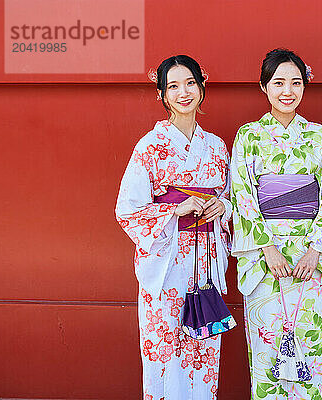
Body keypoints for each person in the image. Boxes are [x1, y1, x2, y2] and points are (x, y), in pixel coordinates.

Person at [230, 48, 322, 399]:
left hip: (308, 261)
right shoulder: (249, 136)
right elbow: (242, 195)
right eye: (278, 82)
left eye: (296, 82)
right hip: (266, 260)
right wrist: (267, 248)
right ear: (264, 87)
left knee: (311, 352)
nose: (288, 91)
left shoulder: (319, 136)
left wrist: (315, 251)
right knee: (267, 356)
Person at [115, 55, 231, 400]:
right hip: (167, 261)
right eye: (174, 86)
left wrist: (221, 206)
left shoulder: (217, 147)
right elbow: (128, 209)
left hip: (206, 258)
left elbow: (231, 197)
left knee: (203, 346)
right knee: (165, 344)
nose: (184, 92)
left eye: (190, 83)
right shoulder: (150, 147)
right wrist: (175, 209)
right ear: (162, 95)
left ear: (202, 86)